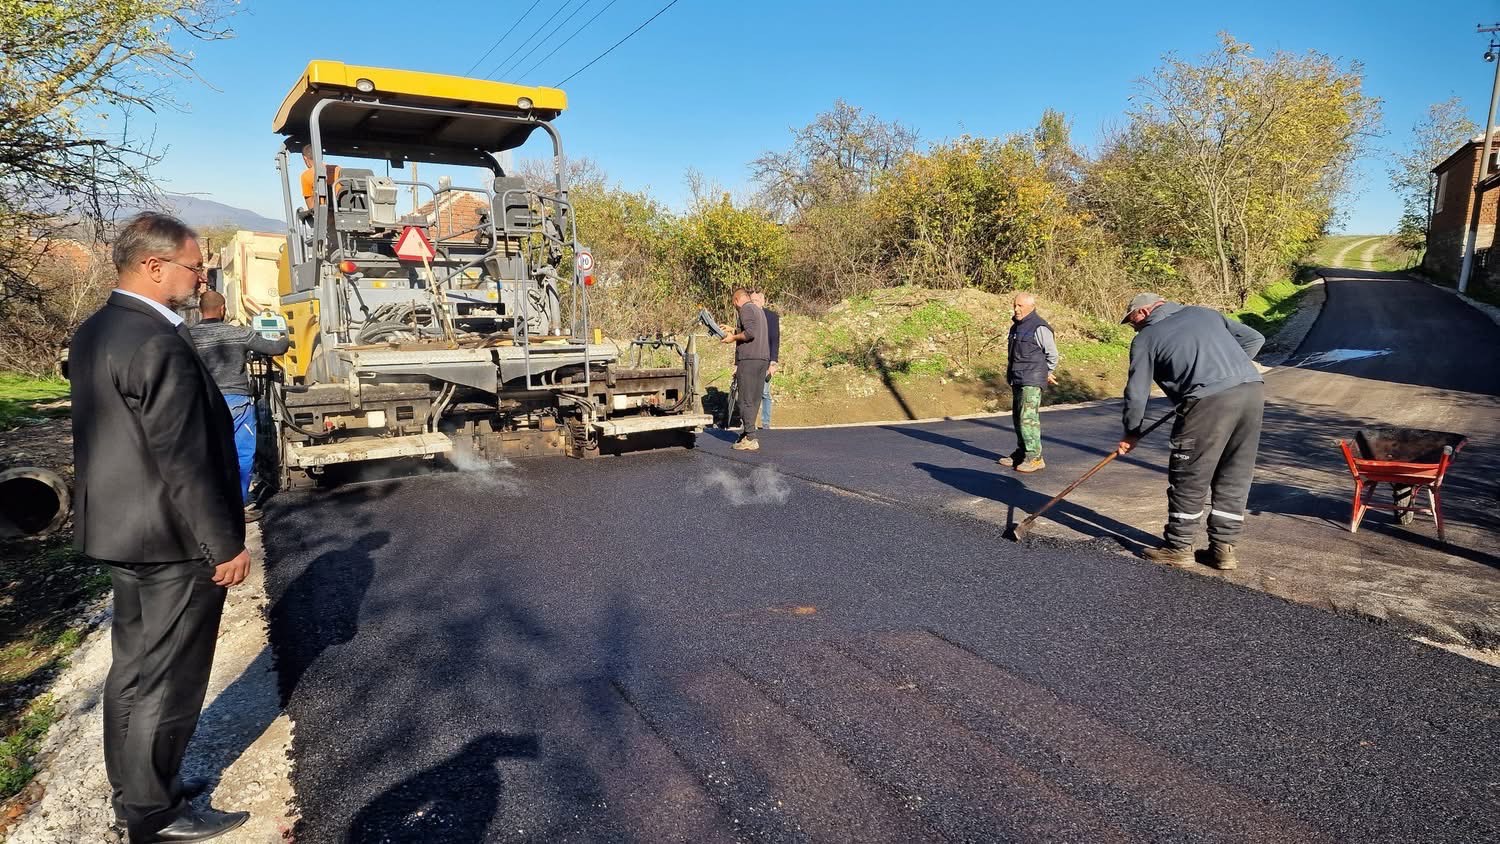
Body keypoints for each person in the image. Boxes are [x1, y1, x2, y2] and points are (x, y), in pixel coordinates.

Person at [69, 213, 251, 843]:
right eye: (194, 267)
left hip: (122, 531)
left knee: (133, 670)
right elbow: (184, 458)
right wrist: (223, 545)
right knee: (168, 681)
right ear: (153, 266)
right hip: (174, 540)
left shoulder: (95, 330)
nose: (200, 279)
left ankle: (137, 793)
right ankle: (155, 813)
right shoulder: (156, 341)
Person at [1116, 292, 1266, 570]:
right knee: (1234, 472)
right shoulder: (1204, 313)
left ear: (1145, 311)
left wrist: (1131, 431)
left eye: (1132, 320)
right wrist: (1224, 374)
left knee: (1190, 474)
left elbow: (1137, 393)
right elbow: (1255, 339)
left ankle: (1178, 547)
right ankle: (1223, 549)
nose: (1133, 327)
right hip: (1251, 392)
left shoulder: (1146, 339)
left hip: (1208, 403)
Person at [190, 289, 290, 521]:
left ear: (200, 310)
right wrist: (284, 335)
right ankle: (239, 504)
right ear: (223, 309)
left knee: (209, 453)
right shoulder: (239, 333)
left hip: (204, 403)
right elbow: (277, 348)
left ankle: (210, 506)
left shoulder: (188, 336)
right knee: (242, 454)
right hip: (236, 402)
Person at [999, 292, 1059, 473]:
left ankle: (1035, 458)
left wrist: (1047, 372)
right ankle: (1022, 452)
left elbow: (1052, 354)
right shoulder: (1015, 327)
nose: (1016, 309)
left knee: (1028, 418)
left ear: (1031, 307)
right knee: (1018, 418)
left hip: (1032, 379)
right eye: (1014, 305)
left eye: (1020, 306)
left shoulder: (1039, 327)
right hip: (1017, 377)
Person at [722, 286, 769, 451]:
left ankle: (750, 437)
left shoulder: (745, 309)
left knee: (744, 400)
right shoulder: (758, 311)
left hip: (749, 359)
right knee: (754, 399)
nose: (735, 307)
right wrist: (733, 330)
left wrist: (732, 338)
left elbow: (749, 334)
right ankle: (747, 433)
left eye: (733, 304)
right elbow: (752, 329)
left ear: (736, 300)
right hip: (762, 359)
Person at [751, 291, 780, 429]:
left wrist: (773, 362)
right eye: (751, 301)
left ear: (763, 301)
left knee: (764, 392)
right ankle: (749, 422)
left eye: (756, 300)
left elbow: (775, 340)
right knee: (749, 393)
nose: (753, 303)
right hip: (750, 359)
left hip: (766, 359)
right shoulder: (747, 316)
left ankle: (766, 422)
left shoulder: (771, 317)